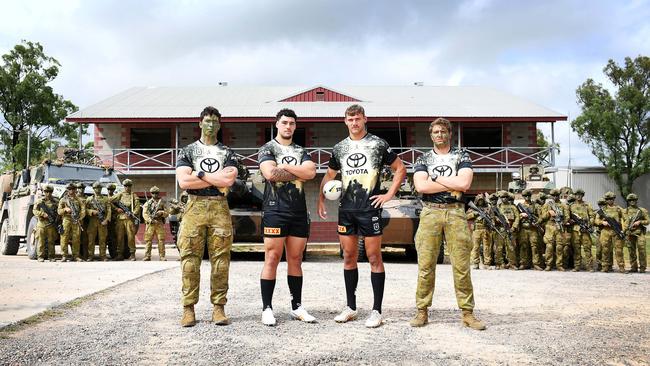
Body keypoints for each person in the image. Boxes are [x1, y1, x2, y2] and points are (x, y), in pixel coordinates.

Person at [317, 104, 406, 328]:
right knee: (348, 258)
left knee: (374, 257)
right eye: (350, 119)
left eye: (357, 118)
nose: (354, 123)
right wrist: (320, 198)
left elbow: (400, 168)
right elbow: (329, 175)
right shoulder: (339, 148)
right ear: (345, 122)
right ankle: (351, 307)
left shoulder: (378, 144)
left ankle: (376, 311)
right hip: (347, 210)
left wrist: (389, 194)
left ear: (365, 119)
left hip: (370, 209)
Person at [408, 117, 485, 330]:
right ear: (431, 135)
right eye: (436, 132)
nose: (439, 135)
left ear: (449, 134)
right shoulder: (423, 158)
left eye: (443, 131)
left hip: (456, 213)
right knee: (426, 265)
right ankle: (422, 311)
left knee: (461, 265)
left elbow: (464, 183)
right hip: (430, 212)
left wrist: (436, 179)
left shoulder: (461, 155)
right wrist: (450, 183)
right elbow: (421, 187)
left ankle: (468, 313)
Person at [176, 106, 238, 327]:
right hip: (194, 207)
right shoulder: (188, 151)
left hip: (219, 207)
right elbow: (184, 182)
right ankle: (188, 308)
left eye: (215, 121)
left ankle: (219, 307)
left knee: (221, 261)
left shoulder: (227, 152)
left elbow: (228, 181)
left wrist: (199, 174)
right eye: (207, 121)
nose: (211, 125)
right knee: (190, 260)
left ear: (219, 125)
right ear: (200, 123)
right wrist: (216, 178)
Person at [257, 108, 317, 326]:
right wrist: (297, 171)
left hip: (298, 211)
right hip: (275, 209)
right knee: (272, 257)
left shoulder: (301, 150)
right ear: (277, 124)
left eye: (292, 123)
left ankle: (297, 307)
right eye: (284, 122)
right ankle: (267, 308)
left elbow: (311, 172)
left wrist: (284, 166)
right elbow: (270, 173)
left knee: (296, 259)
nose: (288, 126)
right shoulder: (268, 148)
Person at [594, 191, 627, 273]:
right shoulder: (603, 209)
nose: (609, 200)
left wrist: (624, 229)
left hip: (616, 231)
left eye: (611, 199)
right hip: (605, 232)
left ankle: (621, 267)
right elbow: (596, 220)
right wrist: (602, 222)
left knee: (619, 250)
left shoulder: (619, 209)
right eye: (608, 199)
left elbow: (626, 219)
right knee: (605, 250)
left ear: (614, 199)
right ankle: (605, 267)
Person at [110, 179, 141, 261]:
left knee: (131, 237)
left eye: (129, 186)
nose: (127, 187)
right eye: (125, 186)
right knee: (120, 237)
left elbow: (137, 207)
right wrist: (116, 209)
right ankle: (119, 254)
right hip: (120, 219)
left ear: (131, 186)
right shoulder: (120, 194)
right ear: (124, 186)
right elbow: (109, 201)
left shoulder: (133, 196)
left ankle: (132, 254)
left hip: (129, 219)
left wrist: (133, 213)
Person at [540, 189, 570, 271]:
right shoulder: (547, 205)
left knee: (559, 247)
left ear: (559, 195)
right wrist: (549, 213)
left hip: (559, 227)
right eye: (553, 196)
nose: (555, 197)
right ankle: (548, 264)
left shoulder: (564, 205)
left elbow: (567, 217)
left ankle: (559, 265)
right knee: (549, 246)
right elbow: (542, 217)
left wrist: (562, 222)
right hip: (550, 227)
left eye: (557, 195)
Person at [57, 183, 87, 262]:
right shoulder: (63, 200)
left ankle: (76, 256)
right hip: (66, 219)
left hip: (76, 220)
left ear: (75, 190)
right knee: (64, 238)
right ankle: (64, 256)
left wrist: (79, 218)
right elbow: (59, 211)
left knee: (76, 238)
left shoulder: (79, 200)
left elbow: (83, 211)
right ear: (67, 190)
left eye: (73, 189)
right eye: (70, 189)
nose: (72, 191)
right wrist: (65, 210)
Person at [86, 182, 112, 261]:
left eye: (99, 188)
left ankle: (103, 256)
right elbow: (85, 209)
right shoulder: (89, 199)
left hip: (102, 221)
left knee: (102, 240)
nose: (97, 190)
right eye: (96, 188)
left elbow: (109, 210)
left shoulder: (105, 199)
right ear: (93, 189)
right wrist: (91, 211)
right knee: (91, 240)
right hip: (92, 221)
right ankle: (90, 256)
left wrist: (107, 220)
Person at [569, 189, 594, 272]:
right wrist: (570, 221)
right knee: (576, 248)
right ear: (575, 196)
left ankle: (589, 266)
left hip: (585, 230)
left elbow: (592, 216)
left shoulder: (587, 205)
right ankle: (577, 266)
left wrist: (589, 224)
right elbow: (567, 217)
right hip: (575, 230)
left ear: (583, 195)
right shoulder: (571, 206)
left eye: (580, 194)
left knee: (587, 248)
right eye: (577, 194)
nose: (578, 196)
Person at [32, 185, 59, 262]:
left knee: (51, 241)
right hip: (42, 224)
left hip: (51, 224)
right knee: (41, 241)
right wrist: (42, 214)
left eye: (50, 192)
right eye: (46, 192)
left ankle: (51, 257)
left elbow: (59, 211)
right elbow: (34, 211)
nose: (48, 193)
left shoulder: (56, 201)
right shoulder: (40, 201)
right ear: (44, 192)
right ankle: (40, 256)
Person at [517, 189, 542, 270]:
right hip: (523, 229)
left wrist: (537, 222)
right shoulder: (520, 206)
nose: (527, 197)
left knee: (535, 246)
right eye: (525, 196)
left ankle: (536, 263)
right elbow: (516, 217)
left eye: (528, 196)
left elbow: (540, 217)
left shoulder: (536, 206)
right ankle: (523, 263)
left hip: (533, 229)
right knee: (523, 246)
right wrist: (521, 215)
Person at [466, 195, 493, 270]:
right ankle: (476, 263)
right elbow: (466, 216)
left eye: (482, 200)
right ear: (477, 201)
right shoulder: (472, 208)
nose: (480, 202)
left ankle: (487, 263)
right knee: (476, 247)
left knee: (486, 247)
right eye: (479, 200)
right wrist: (474, 214)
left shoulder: (488, 209)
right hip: (476, 230)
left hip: (485, 229)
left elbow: (492, 218)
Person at [624, 193, 648, 273]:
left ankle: (642, 267)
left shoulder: (642, 210)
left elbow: (648, 221)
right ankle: (634, 267)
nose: (632, 202)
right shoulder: (625, 211)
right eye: (630, 200)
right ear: (628, 201)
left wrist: (640, 222)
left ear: (636, 200)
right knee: (631, 251)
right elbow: (623, 222)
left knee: (642, 250)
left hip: (639, 233)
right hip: (630, 233)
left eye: (634, 200)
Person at [143, 186, 168, 261]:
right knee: (148, 240)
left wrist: (162, 212)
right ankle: (147, 256)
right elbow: (144, 214)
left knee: (161, 240)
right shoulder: (148, 203)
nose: (155, 194)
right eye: (153, 193)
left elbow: (167, 213)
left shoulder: (162, 202)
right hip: (150, 224)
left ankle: (162, 256)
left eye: (156, 193)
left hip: (159, 223)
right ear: (151, 194)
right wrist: (150, 220)